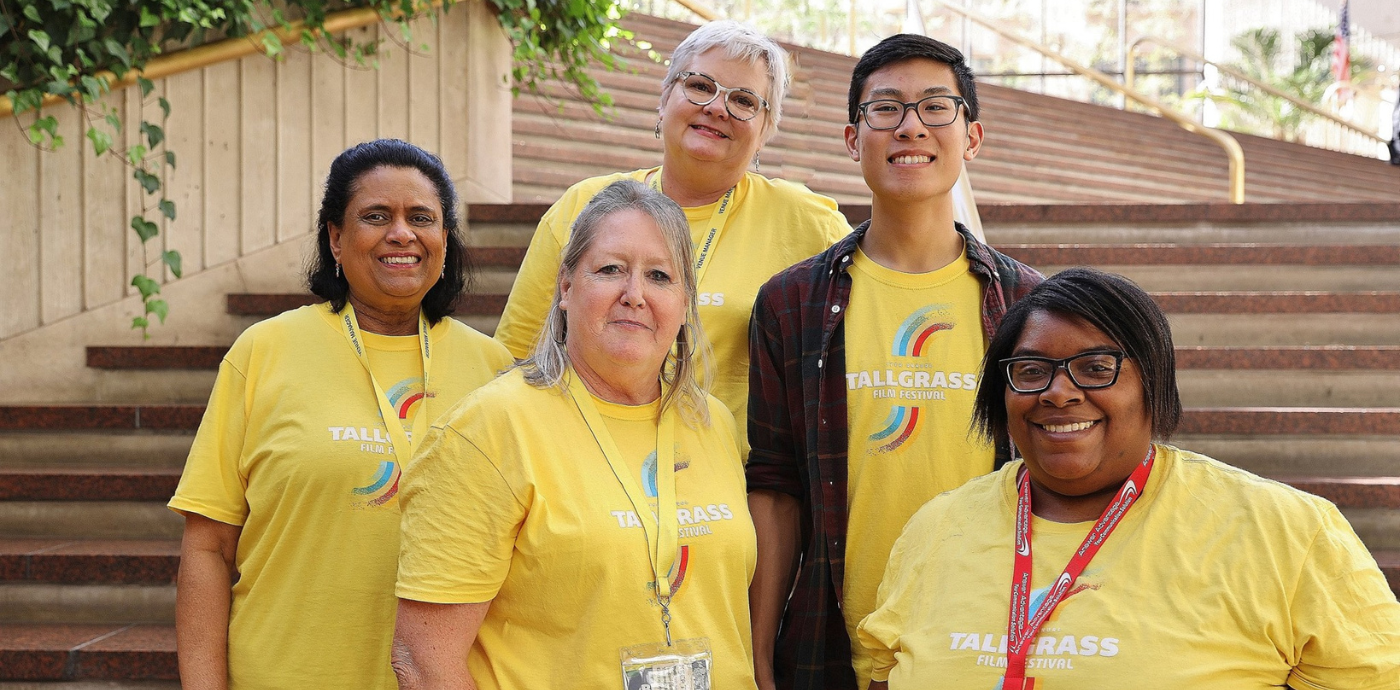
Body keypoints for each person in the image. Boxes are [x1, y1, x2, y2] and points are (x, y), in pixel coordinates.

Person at [859, 267, 1400, 689]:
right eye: (1031, 371)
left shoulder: (1288, 532)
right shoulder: (937, 529)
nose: (1058, 393)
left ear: (1153, 382)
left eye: (1096, 368)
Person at [745, 34, 1044, 690]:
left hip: (985, 640)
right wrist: (759, 657)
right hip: (830, 646)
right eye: (886, 109)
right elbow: (775, 487)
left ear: (972, 136)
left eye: (937, 107)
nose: (911, 126)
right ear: (854, 139)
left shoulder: (1030, 306)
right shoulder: (791, 303)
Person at [169, 139, 512, 689]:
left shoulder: (495, 370)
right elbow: (207, 549)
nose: (401, 233)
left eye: (421, 218)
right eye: (376, 216)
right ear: (335, 236)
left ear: (444, 239)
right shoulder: (265, 352)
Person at [392, 180, 759, 690]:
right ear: (566, 287)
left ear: (683, 303)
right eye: (610, 270)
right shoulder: (491, 429)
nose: (635, 295)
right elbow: (423, 661)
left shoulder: (712, 423)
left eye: (659, 276)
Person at [493, 20, 852, 457]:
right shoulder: (584, 206)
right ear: (664, 100)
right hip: (583, 472)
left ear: (766, 130)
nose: (718, 108)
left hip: (727, 492)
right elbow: (516, 357)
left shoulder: (809, 222)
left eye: (743, 101)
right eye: (701, 86)